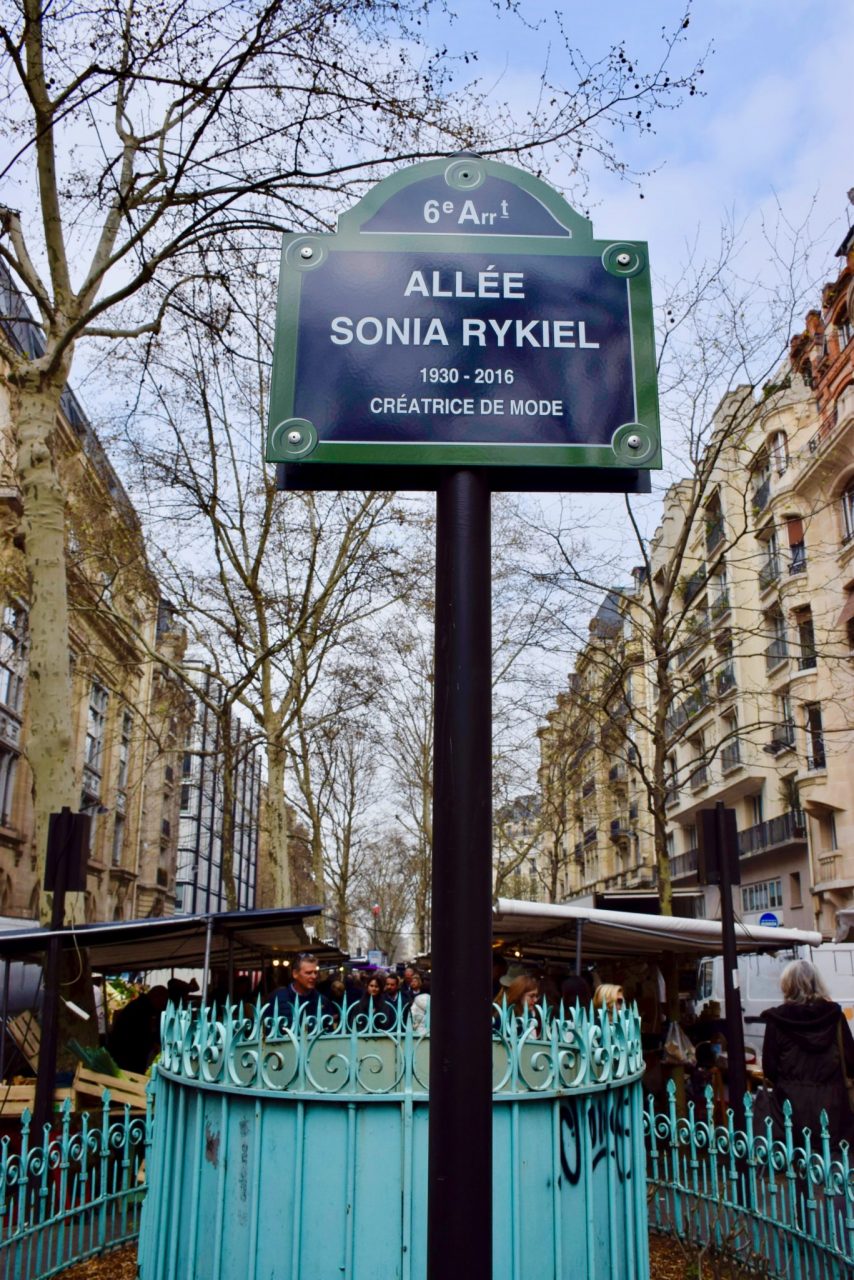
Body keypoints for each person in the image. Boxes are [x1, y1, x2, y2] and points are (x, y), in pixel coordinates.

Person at [761, 959, 854, 1145]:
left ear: (787, 986)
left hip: (791, 1105)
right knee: (831, 1159)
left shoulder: (777, 1021)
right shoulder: (835, 1017)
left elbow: (769, 1068)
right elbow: (851, 1061)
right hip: (832, 1105)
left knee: (798, 1159)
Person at [265, 953, 336, 1030]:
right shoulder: (278, 998)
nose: (314, 976)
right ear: (295, 974)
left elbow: (328, 1034)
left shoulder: (322, 1001)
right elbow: (266, 1029)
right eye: (308, 973)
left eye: (315, 972)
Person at [108, 985, 168, 1073]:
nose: (163, 1006)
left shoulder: (143, 1006)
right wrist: (153, 1043)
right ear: (156, 997)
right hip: (127, 1055)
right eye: (163, 1002)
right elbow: (141, 1034)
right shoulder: (141, 1008)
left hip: (128, 1054)